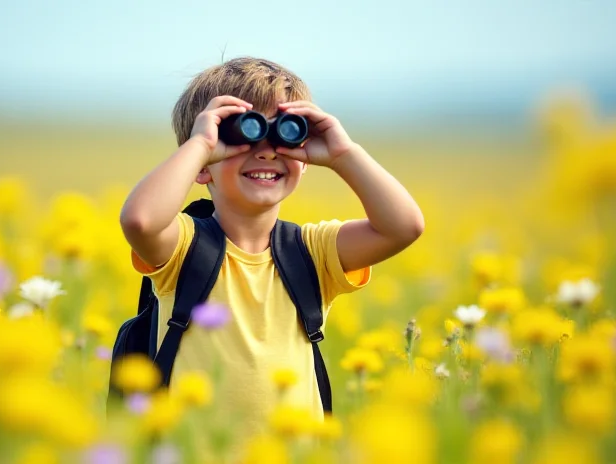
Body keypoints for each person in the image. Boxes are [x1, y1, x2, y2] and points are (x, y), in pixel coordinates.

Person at [119, 57, 424, 439]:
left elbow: (404, 226)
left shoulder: (310, 252)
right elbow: (140, 220)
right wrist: (200, 143)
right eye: (241, 134)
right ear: (202, 165)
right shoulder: (182, 247)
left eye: (284, 133)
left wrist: (344, 154)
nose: (266, 152)